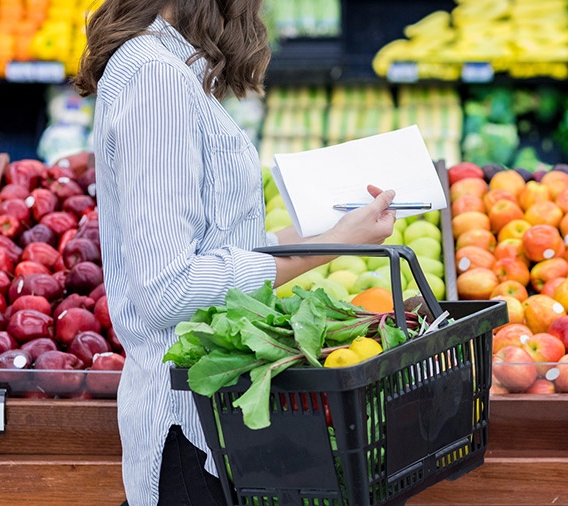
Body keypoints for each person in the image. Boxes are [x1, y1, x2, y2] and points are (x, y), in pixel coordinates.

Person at [74, 1, 397, 504]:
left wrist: (333, 236)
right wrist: (325, 252)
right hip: (186, 428)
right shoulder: (156, 81)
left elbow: (216, 252)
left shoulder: (167, 70)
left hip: (213, 422)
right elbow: (169, 288)